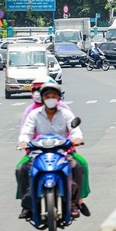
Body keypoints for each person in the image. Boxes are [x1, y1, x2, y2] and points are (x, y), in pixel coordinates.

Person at [16, 83, 84, 220]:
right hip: (38, 153)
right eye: (47, 96)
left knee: (77, 167)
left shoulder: (66, 114)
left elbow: (75, 130)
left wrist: (76, 138)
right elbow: (26, 132)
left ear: (59, 98)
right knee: (21, 169)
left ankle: (73, 203)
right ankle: (27, 204)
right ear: (42, 98)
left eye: (54, 95)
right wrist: (23, 141)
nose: (50, 98)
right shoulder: (34, 114)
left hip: (62, 153)